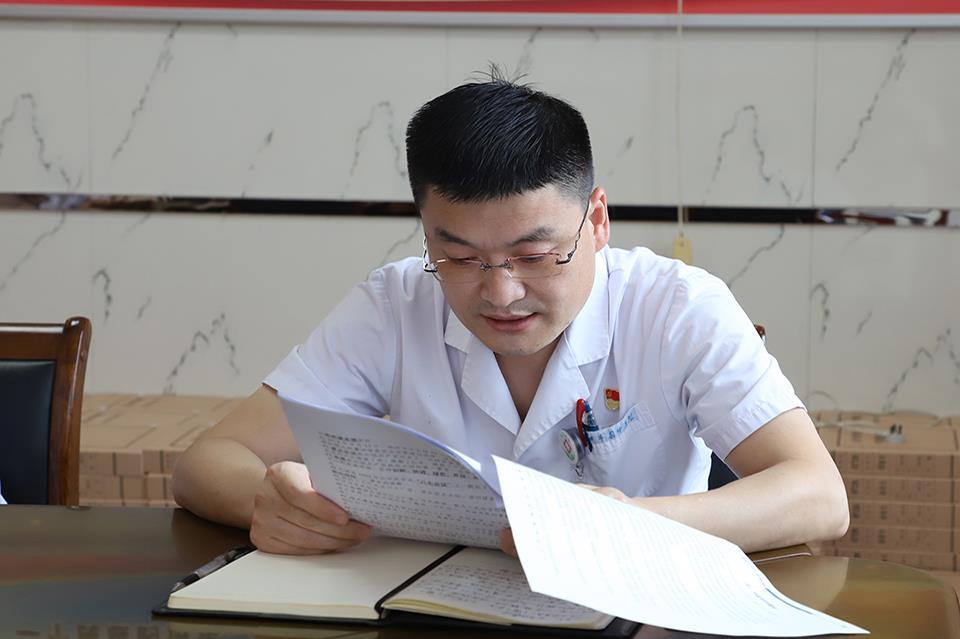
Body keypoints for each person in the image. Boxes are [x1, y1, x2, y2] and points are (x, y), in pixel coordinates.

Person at [173, 78, 848, 557]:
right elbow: (206, 462)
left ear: (598, 220)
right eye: (459, 256)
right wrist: (269, 499)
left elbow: (819, 495)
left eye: (535, 255)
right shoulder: (394, 304)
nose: (500, 293)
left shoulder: (676, 307)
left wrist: (637, 523)